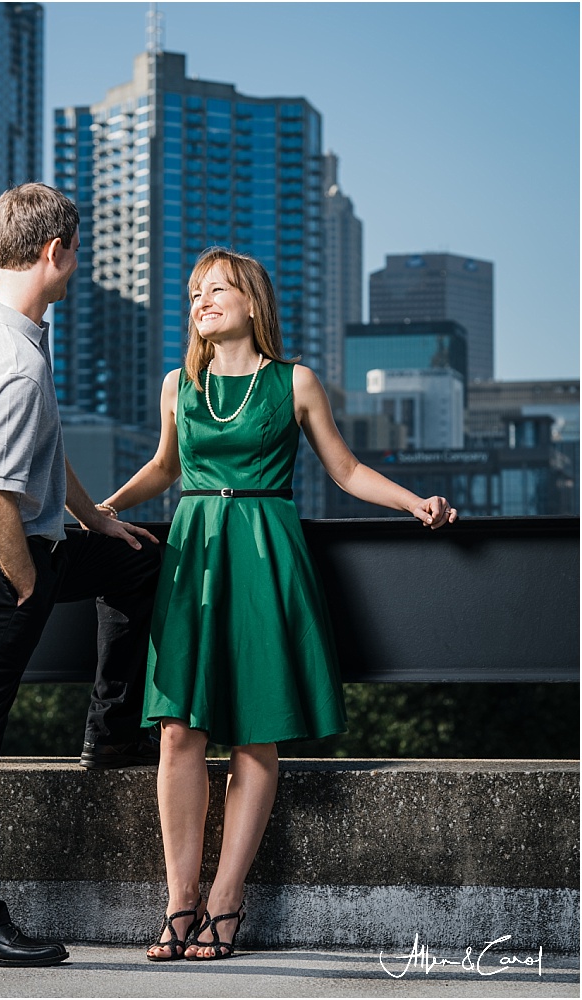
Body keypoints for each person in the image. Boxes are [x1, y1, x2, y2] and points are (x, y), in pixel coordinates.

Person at [98, 247, 458, 962]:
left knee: (254, 733)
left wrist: (415, 502)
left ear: (252, 304)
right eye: (196, 291)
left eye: (219, 289)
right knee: (177, 730)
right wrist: (103, 510)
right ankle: (180, 901)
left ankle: (227, 900)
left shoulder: (294, 382)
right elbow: (166, 468)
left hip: (265, 551)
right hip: (194, 554)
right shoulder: (179, 383)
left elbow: (346, 468)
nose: (202, 300)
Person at [0, 183, 161, 968]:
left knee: (140, 562)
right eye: (77, 252)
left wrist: (95, 520)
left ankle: (111, 735)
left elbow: (37, 448)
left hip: (30, 537)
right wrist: (28, 582)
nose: (78, 265)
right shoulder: (15, 362)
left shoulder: (6, 315)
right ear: (56, 252)